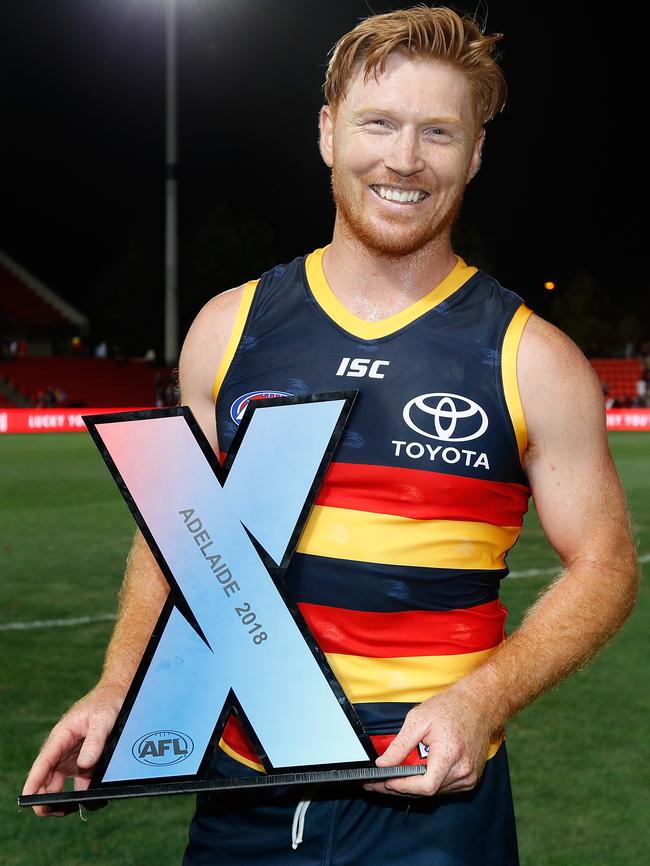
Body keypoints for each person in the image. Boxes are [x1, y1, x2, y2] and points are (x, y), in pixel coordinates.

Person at [23, 6, 637, 865]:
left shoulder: (534, 359)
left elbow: (605, 566)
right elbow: (178, 536)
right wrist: (120, 687)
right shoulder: (227, 329)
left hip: (432, 808)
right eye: (377, 123)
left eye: (438, 132)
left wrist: (483, 700)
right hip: (242, 795)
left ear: (476, 153)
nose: (404, 158)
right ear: (326, 132)